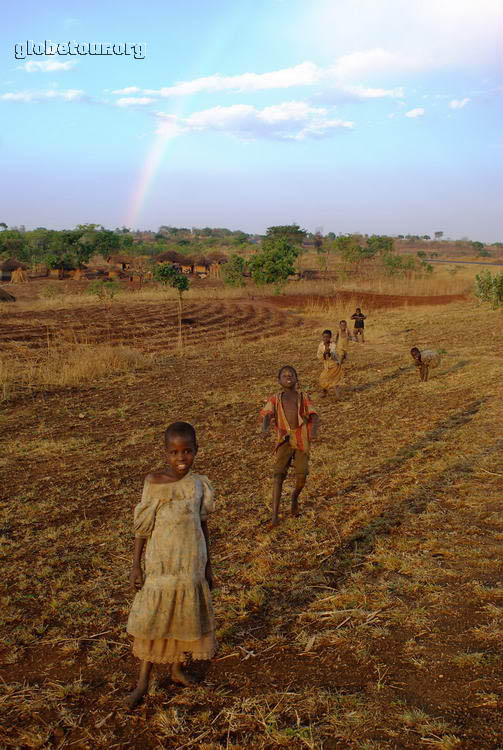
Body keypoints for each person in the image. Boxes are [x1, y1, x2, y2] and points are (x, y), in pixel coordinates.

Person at [125, 422, 216, 710]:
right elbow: (142, 529)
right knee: (155, 621)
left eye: (187, 451)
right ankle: (143, 682)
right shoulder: (153, 483)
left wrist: (209, 566)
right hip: (162, 566)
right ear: (165, 453)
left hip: (190, 564)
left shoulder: (200, 484)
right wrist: (136, 566)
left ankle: (176, 670)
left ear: (196, 451)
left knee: (183, 615)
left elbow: (203, 525)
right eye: (175, 452)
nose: (181, 458)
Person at [260, 366, 320, 527]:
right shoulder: (276, 398)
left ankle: (294, 497)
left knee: (302, 477)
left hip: (301, 439)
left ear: (296, 378)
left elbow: (314, 414)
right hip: (284, 440)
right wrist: (265, 428)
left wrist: (313, 430)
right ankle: (274, 515)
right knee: (278, 476)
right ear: (278, 380)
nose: (288, 377)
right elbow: (267, 414)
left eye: (291, 374)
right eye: (284, 375)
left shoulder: (302, 396)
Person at [317, 329, 343, 397]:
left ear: (330, 337)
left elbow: (335, 355)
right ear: (322, 337)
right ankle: (324, 392)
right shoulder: (321, 345)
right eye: (324, 337)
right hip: (327, 365)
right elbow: (319, 356)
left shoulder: (333, 345)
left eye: (327, 337)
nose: (326, 338)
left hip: (335, 365)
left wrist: (329, 353)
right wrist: (324, 354)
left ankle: (338, 396)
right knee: (322, 378)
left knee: (335, 381)